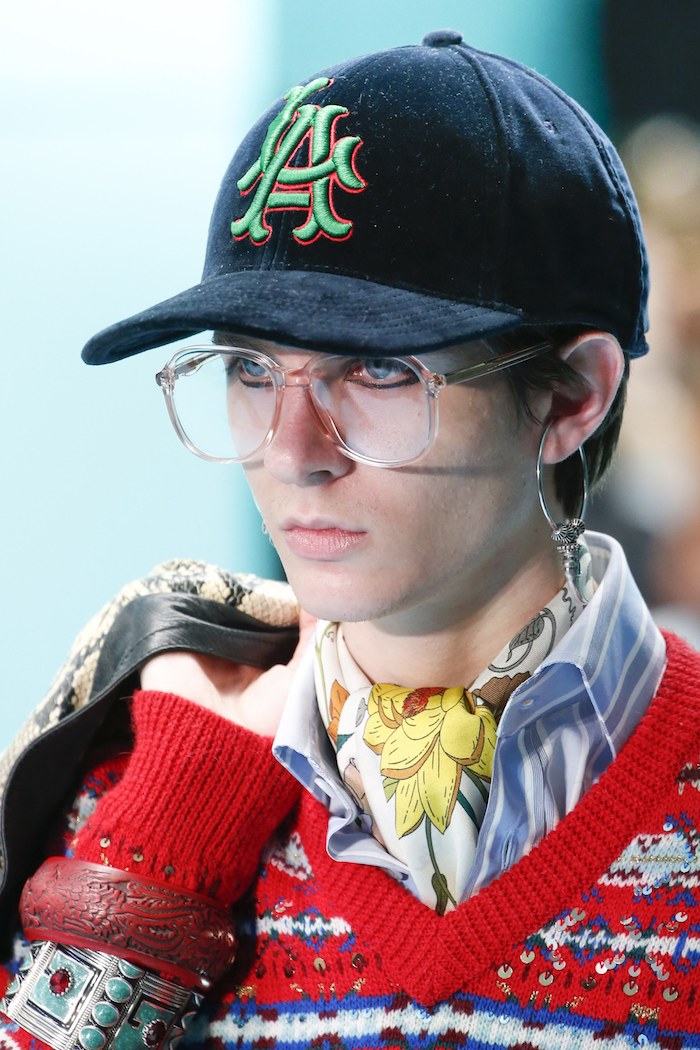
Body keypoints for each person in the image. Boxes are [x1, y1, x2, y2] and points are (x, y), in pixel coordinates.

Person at [1, 29, 699, 1050]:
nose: (292, 451)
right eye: (249, 368)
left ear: (571, 395)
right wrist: (154, 875)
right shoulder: (120, 800)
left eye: (377, 371)